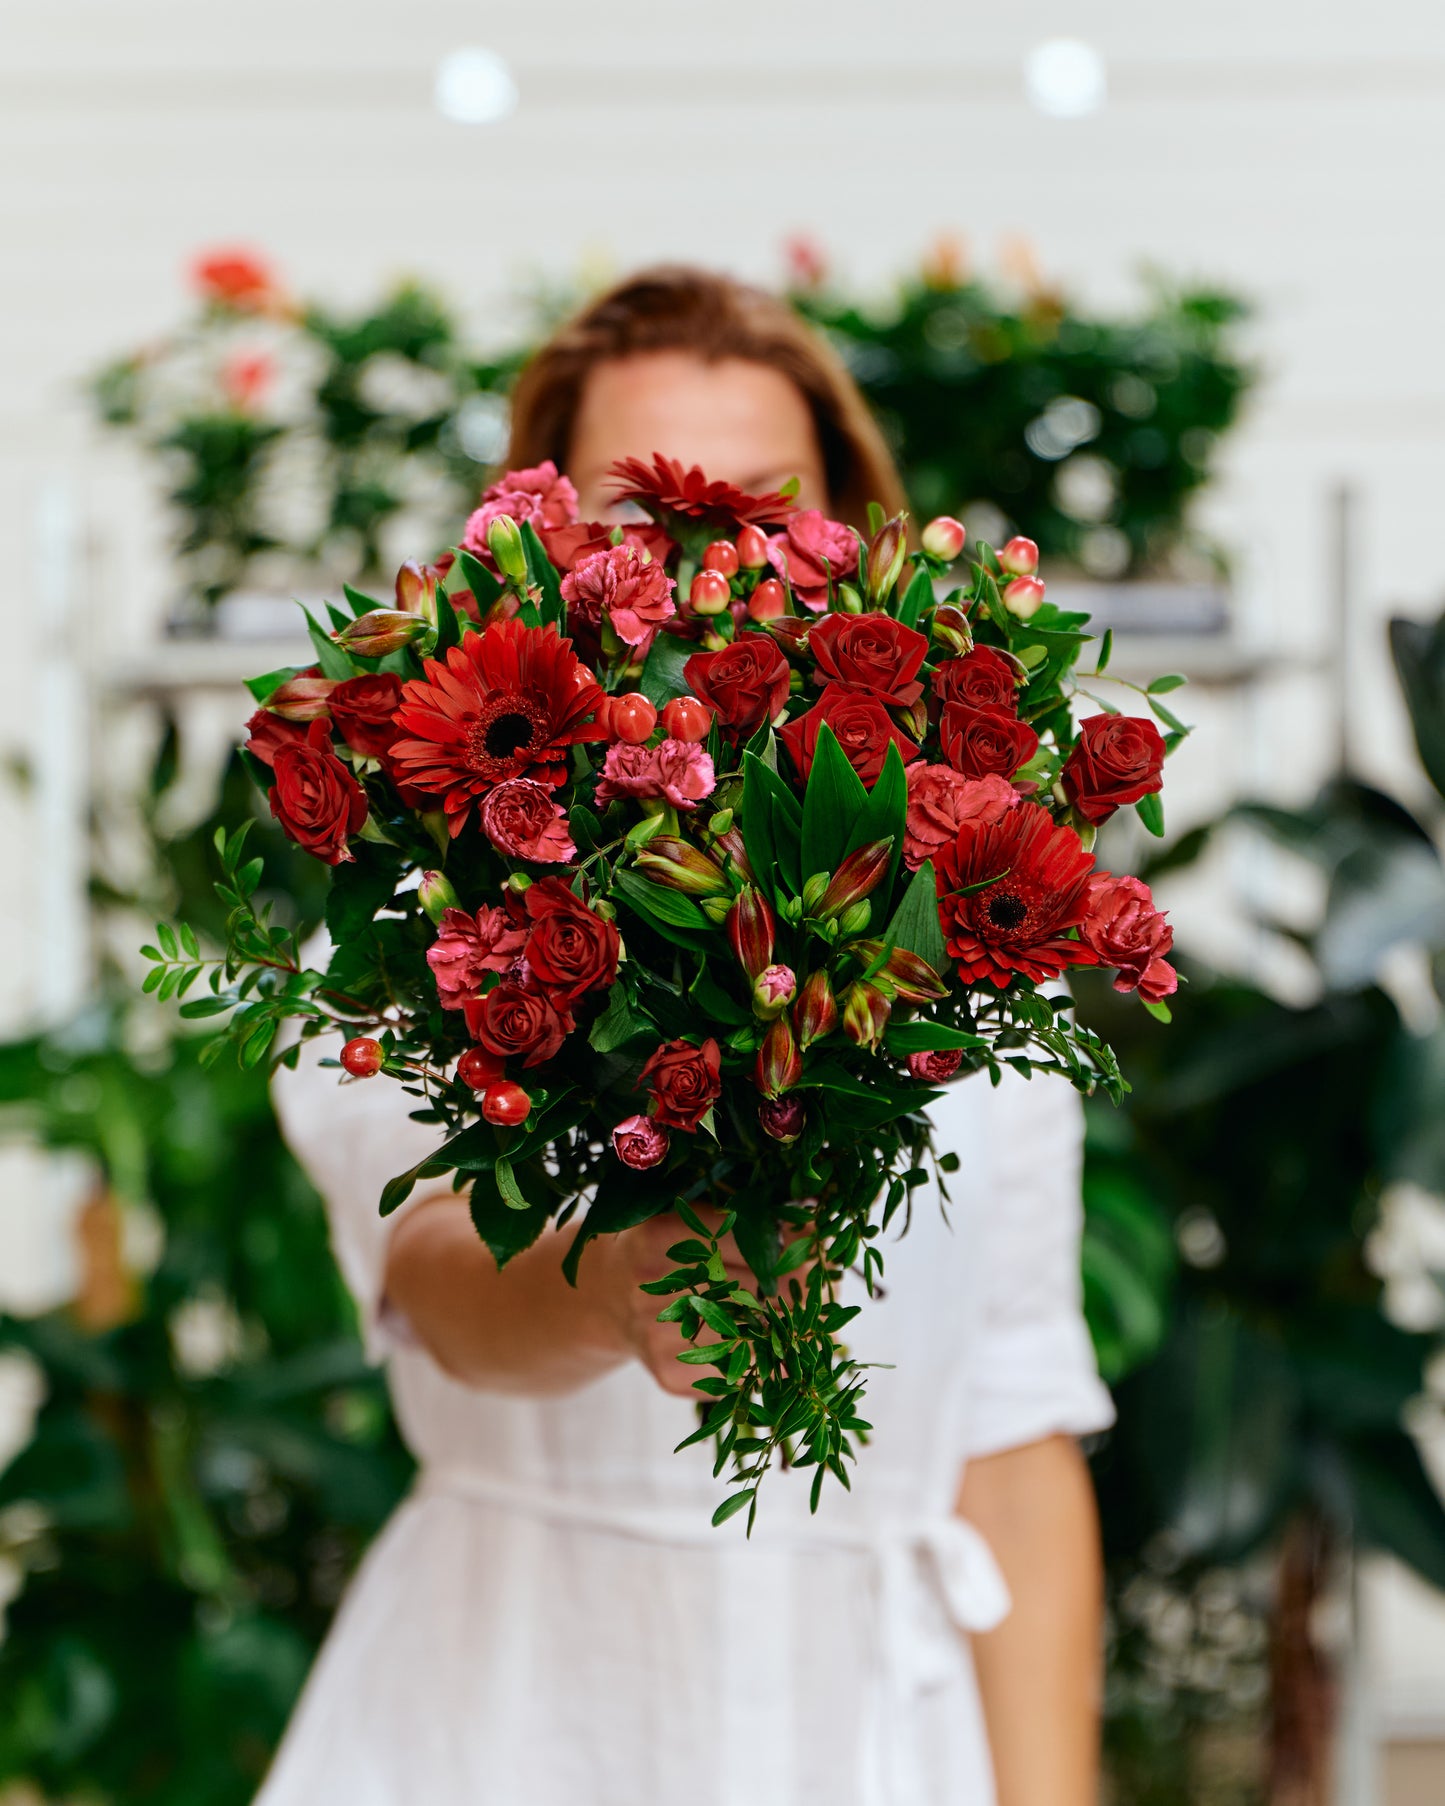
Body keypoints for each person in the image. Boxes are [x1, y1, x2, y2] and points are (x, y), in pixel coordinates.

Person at [257, 267, 1114, 1806]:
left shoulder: (972, 941)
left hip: (871, 1728)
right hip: (515, 1718)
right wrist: (621, 1284)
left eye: (766, 514)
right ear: (538, 549)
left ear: (854, 542)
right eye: (647, 521)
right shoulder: (417, 928)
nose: (713, 555)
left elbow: (1012, 1432)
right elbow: (435, 1277)